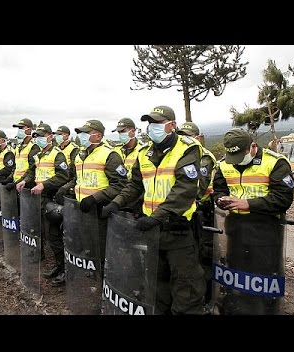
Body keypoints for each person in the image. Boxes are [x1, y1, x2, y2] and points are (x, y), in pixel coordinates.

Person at [102, 105, 206, 315]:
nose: (152, 128)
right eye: (150, 123)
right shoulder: (144, 153)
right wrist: (116, 202)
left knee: (186, 289)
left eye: (157, 123)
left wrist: (157, 217)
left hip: (178, 230)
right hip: (153, 231)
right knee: (157, 286)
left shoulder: (187, 149)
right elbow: (134, 185)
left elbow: (184, 191)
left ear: (172, 126)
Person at [212, 128, 294, 314]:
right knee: (236, 274)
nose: (237, 162)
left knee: (262, 278)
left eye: (241, 156)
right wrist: (221, 199)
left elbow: (283, 199)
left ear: (253, 147)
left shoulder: (275, 163)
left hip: (265, 230)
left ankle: (265, 309)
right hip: (235, 229)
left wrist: (247, 204)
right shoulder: (224, 165)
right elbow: (218, 189)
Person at [67, 119, 128, 268]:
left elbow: (120, 184)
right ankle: (94, 275)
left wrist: (95, 198)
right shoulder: (80, 155)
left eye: (86, 133)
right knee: (88, 245)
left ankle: (103, 281)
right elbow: (78, 179)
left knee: (101, 248)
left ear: (98, 136)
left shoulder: (110, 155)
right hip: (83, 208)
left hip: (100, 209)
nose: (81, 136)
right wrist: (67, 189)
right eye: (81, 133)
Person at [16, 124, 69, 285]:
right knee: (44, 232)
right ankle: (57, 266)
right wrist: (24, 181)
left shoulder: (57, 155)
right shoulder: (39, 154)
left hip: (51, 199)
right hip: (39, 198)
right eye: (36, 135)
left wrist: (44, 184)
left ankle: (64, 270)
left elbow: (63, 176)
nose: (38, 138)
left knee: (54, 236)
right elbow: (32, 171)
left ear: (50, 136)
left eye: (41, 135)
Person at [176, 121, 217, 307]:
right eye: (181, 134)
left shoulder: (204, 157)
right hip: (185, 213)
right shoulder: (180, 154)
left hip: (201, 212)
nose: (184, 138)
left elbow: (198, 187)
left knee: (203, 256)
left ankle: (206, 299)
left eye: (188, 135)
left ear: (198, 138)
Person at [53, 125, 79, 205]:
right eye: (56, 135)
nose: (57, 136)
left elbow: (74, 171)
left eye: (59, 134)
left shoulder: (74, 149)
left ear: (67, 135)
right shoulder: (55, 149)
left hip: (67, 182)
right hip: (57, 179)